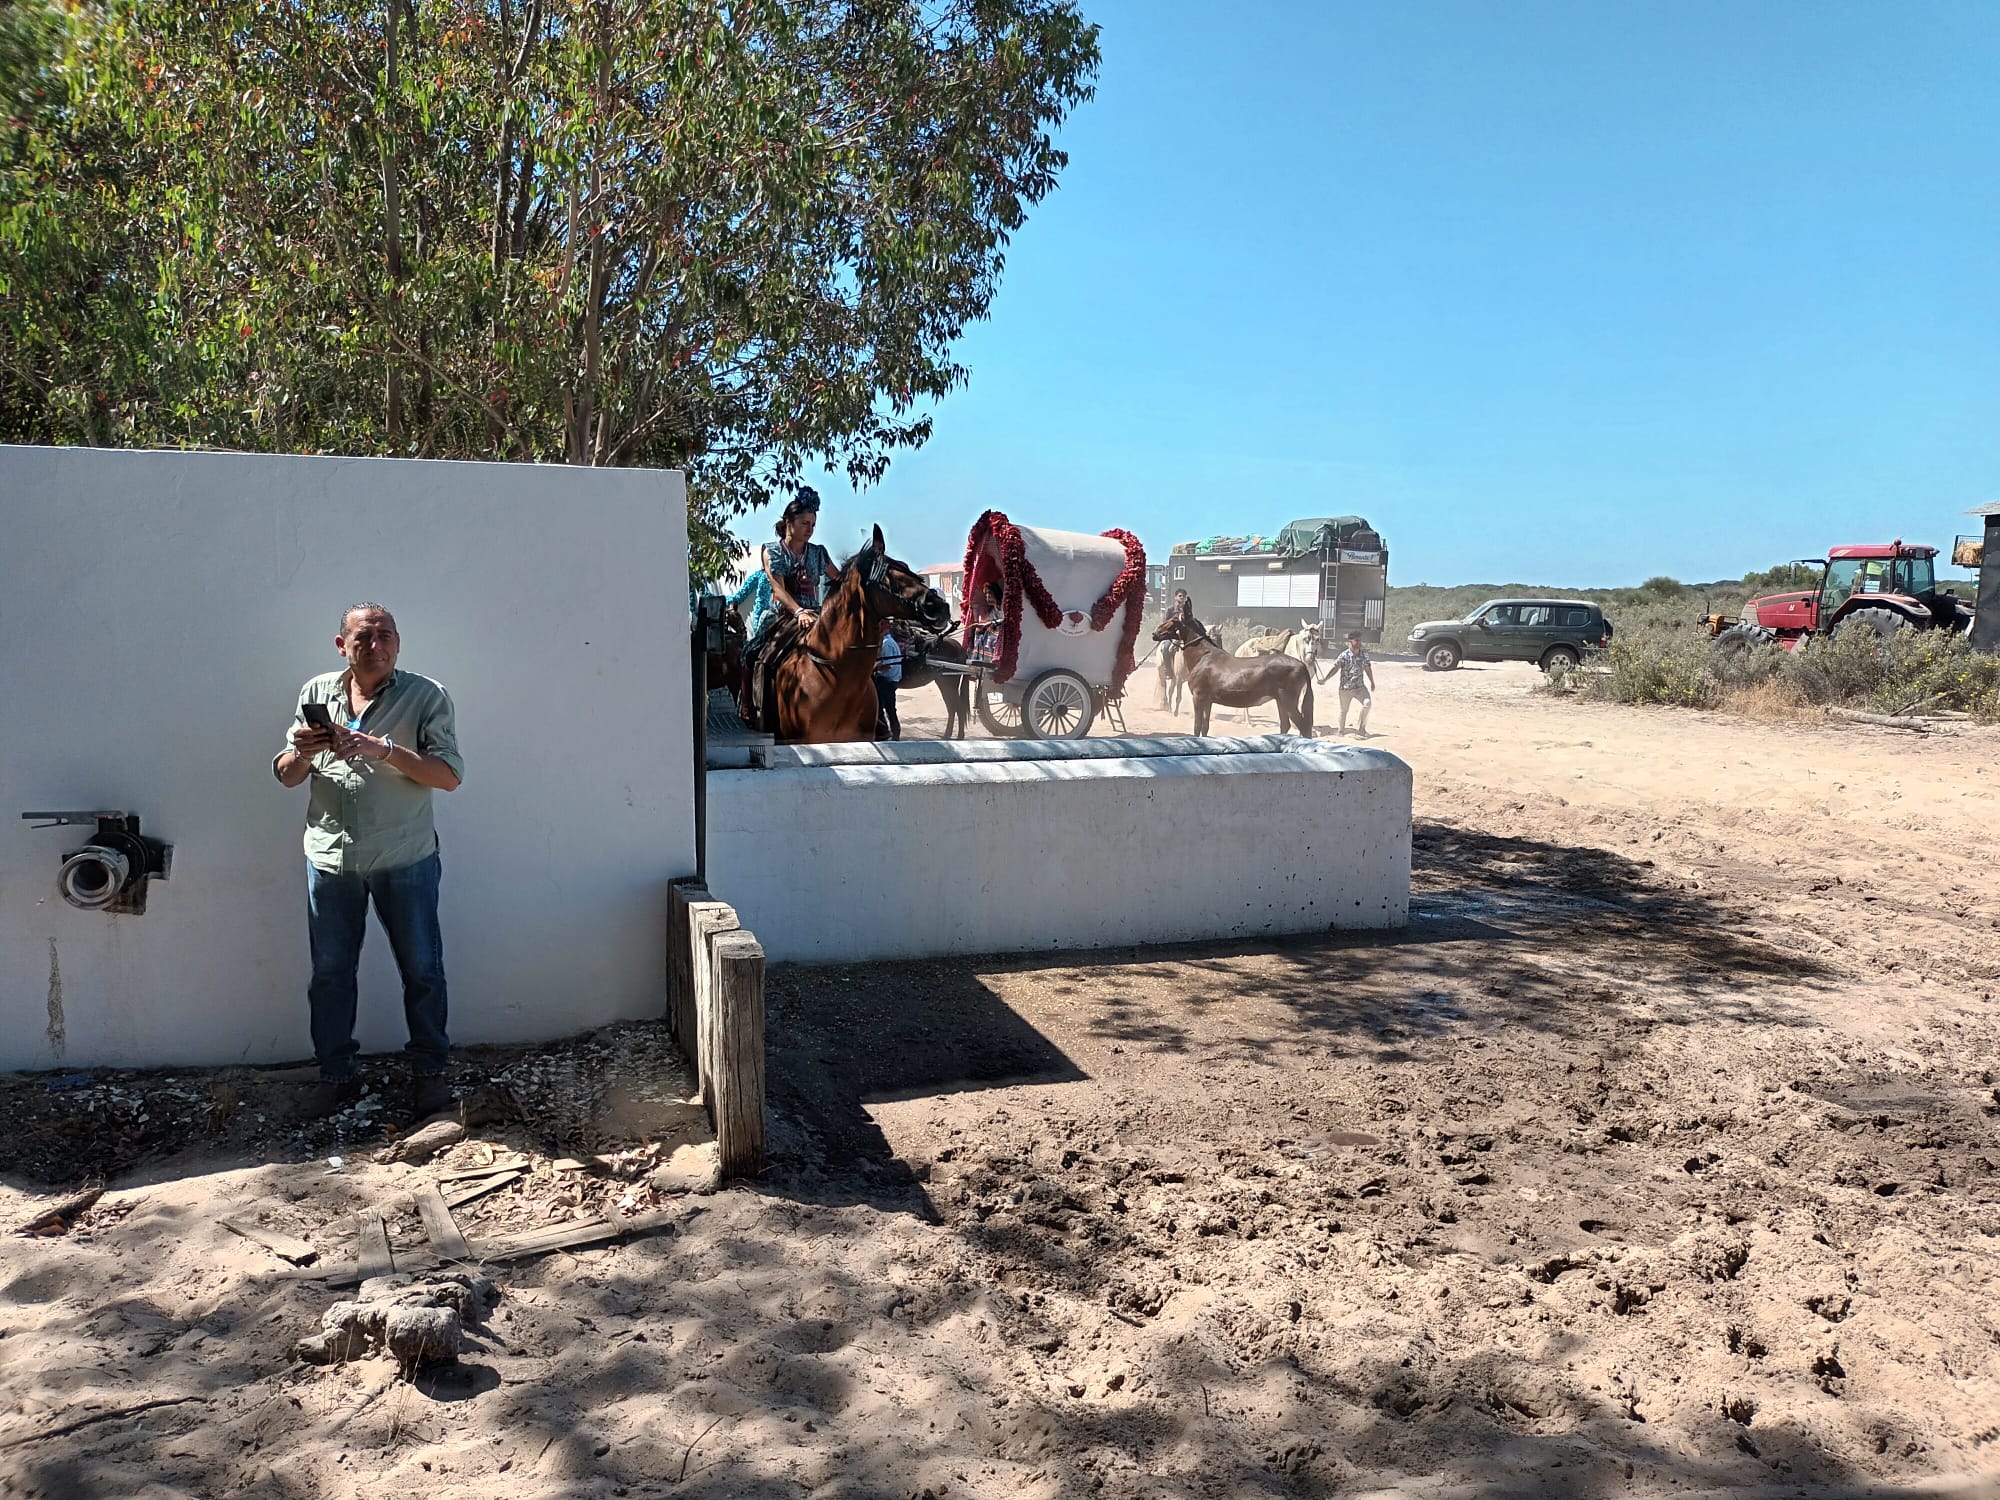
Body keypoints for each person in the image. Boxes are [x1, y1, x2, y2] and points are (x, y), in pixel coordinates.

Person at [274, 603, 465, 1120]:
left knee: (423, 969)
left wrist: (382, 750)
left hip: (405, 855)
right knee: (331, 974)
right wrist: (304, 750)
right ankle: (335, 1076)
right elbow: (288, 776)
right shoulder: (316, 693)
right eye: (363, 637)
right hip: (331, 859)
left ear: (399, 643)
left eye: (386, 636)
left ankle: (430, 1075)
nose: (375, 645)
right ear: (342, 646)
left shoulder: (426, 696)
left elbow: (448, 776)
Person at [740, 487, 841, 724]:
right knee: (751, 653)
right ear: (789, 522)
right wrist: (798, 611)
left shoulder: (819, 552)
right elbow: (779, 589)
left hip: (816, 615)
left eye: (813, 524)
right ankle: (752, 707)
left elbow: (838, 579)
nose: (810, 529)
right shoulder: (772, 550)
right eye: (805, 523)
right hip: (784, 615)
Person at [1329, 630, 1376, 736]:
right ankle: (1341, 731)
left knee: (1367, 704)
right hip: (1345, 689)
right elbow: (1335, 668)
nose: (1359, 642)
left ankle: (1362, 728)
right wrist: (1325, 679)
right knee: (1344, 710)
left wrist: (1372, 682)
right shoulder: (1344, 656)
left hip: (1360, 687)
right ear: (1350, 641)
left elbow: (1368, 668)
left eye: (1360, 640)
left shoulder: (1364, 655)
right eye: (1357, 640)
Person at [874, 624, 904, 740]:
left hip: (886, 681)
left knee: (880, 709)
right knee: (890, 709)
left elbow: (887, 666)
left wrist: (874, 668)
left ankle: (884, 733)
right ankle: (894, 733)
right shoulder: (891, 642)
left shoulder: (886, 644)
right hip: (892, 681)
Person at [968, 579, 1004, 663]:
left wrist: (991, 623)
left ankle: (988, 659)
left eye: (990, 594)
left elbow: (1004, 620)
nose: (987, 597)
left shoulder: (1003, 606)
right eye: (986, 594)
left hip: (1001, 632)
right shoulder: (992, 610)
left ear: (996, 594)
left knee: (989, 633)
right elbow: (987, 620)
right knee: (977, 631)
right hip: (994, 629)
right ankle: (977, 657)